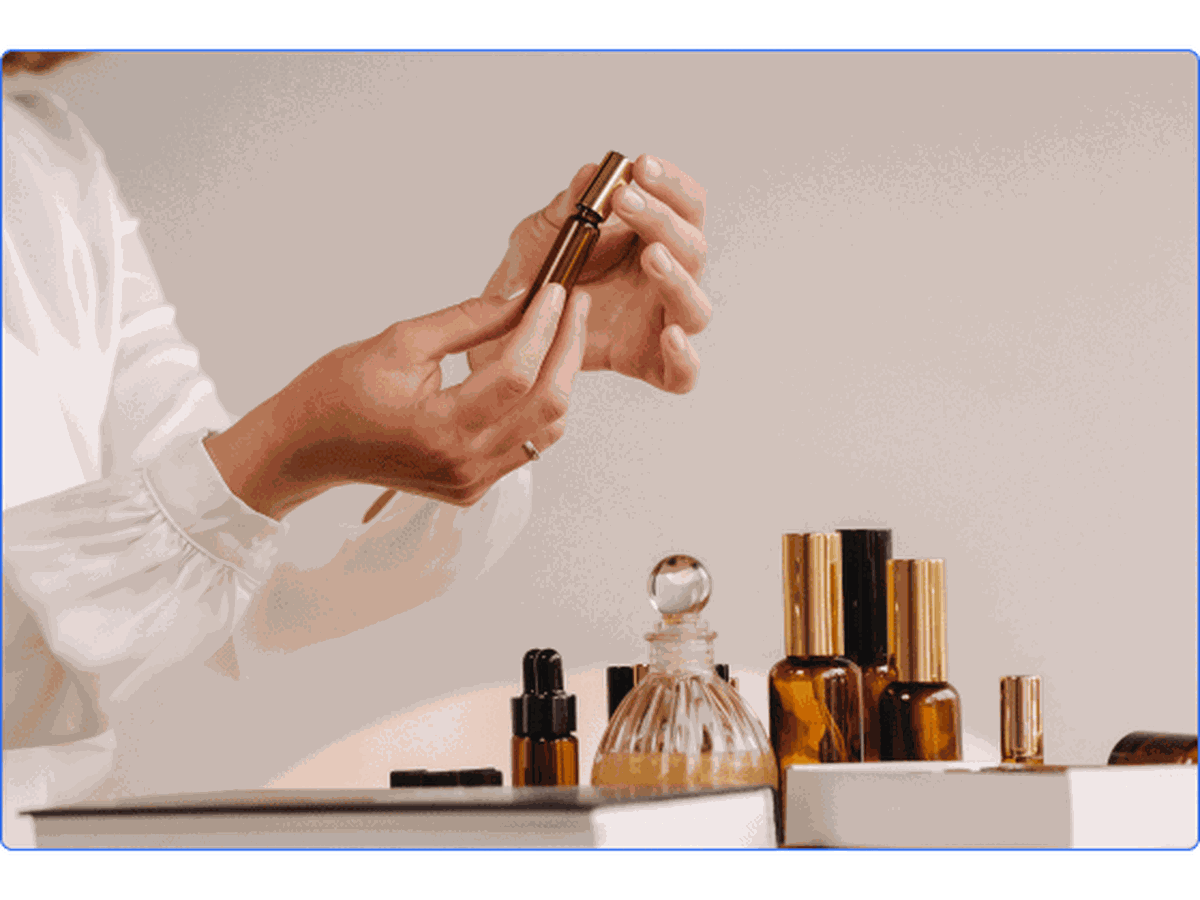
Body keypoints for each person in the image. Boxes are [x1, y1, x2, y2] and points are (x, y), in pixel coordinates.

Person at [1, 51, 712, 847]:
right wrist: (270, 459)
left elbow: (240, 587)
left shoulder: (48, 157)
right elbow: (188, 528)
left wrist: (496, 366)